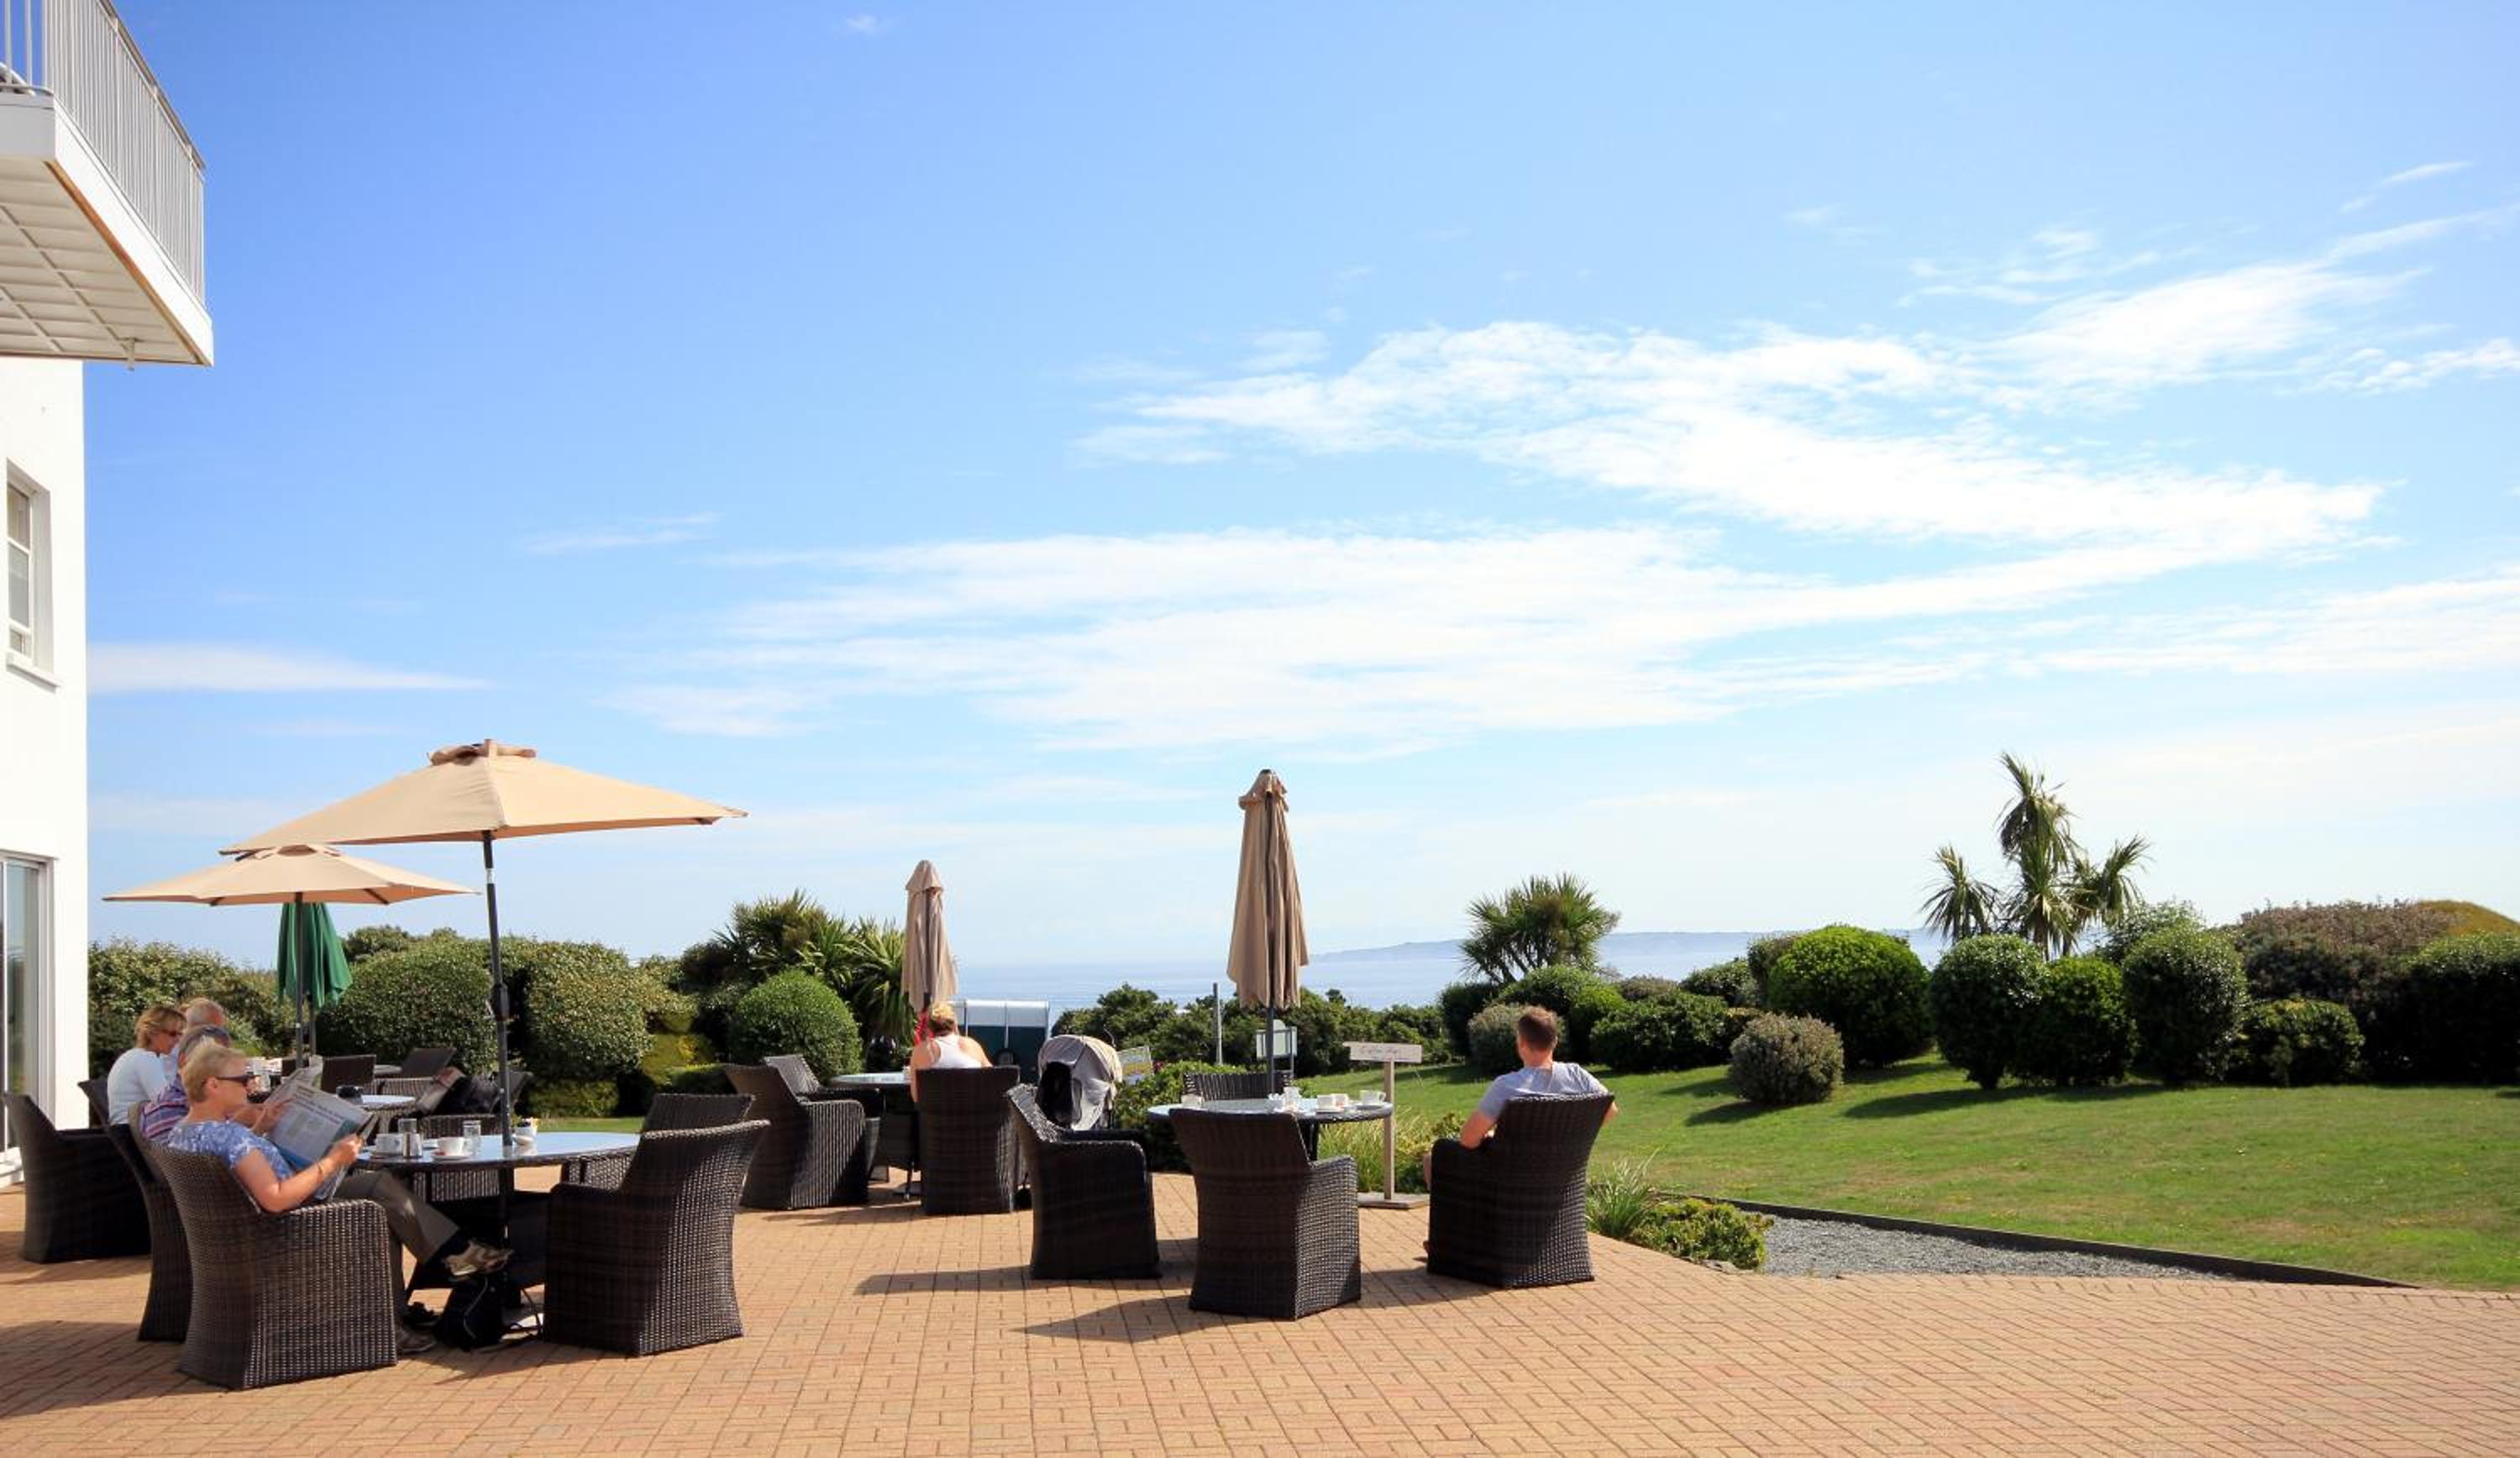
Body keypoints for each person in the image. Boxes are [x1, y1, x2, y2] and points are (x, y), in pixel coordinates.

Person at [161, 1041, 511, 1282]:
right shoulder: (229, 1137)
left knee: (378, 1186)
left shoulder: (182, 1134)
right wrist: (333, 1160)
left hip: (244, 1231)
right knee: (378, 1203)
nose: (250, 1086)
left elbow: (237, 1173)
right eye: (242, 1080)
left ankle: (436, 1276)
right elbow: (275, 1198)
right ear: (213, 1085)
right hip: (288, 1225)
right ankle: (454, 1258)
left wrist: (259, 1130)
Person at [1425, 1006, 1617, 1186]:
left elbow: (1468, 1139)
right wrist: (1573, 1133)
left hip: (1510, 1186)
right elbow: (1611, 1110)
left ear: (1521, 1043)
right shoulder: (1577, 1075)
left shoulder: (1506, 1086)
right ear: (1555, 1041)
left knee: (1431, 1159)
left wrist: (1498, 1137)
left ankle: (1456, 1212)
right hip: (1562, 1184)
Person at [137, 1024, 243, 1143]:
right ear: (183, 1061)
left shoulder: (196, 1104)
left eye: (225, 1062)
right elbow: (196, 1153)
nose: (220, 1068)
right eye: (210, 1061)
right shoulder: (169, 1110)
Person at [106, 1004, 184, 1124]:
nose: (178, 1039)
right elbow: (167, 1103)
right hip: (134, 1129)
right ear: (153, 1033)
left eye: (180, 1034)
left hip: (128, 1127)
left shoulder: (133, 1056)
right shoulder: (146, 1058)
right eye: (173, 1034)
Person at [906, 1002, 990, 1103]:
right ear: (954, 1023)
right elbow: (992, 1079)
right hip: (974, 1111)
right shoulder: (972, 1045)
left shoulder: (921, 1050)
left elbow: (916, 1097)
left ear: (929, 1027)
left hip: (936, 1112)